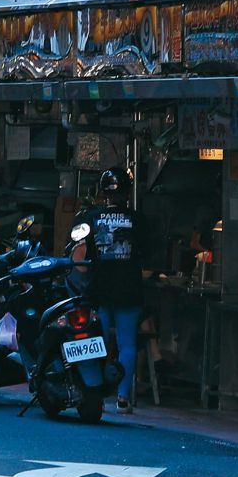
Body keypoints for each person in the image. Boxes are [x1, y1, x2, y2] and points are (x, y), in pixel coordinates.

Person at [74, 168, 144, 413]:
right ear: (127, 192)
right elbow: (148, 256)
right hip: (129, 289)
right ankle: (123, 398)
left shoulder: (90, 219)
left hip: (99, 290)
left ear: (103, 192)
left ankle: (98, 395)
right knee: (127, 343)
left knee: (98, 342)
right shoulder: (138, 220)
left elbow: (78, 260)